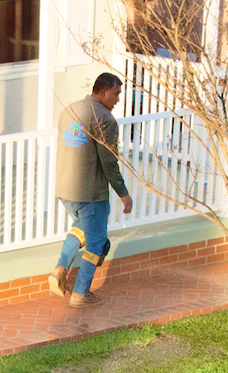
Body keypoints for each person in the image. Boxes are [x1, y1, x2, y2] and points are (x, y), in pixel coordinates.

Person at [49, 72, 134, 309]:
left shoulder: (70, 110)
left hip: (65, 189)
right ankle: (81, 293)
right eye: (116, 94)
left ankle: (60, 270)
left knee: (79, 229)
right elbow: (109, 161)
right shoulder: (104, 119)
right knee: (96, 243)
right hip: (89, 192)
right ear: (103, 91)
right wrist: (123, 193)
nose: (118, 99)